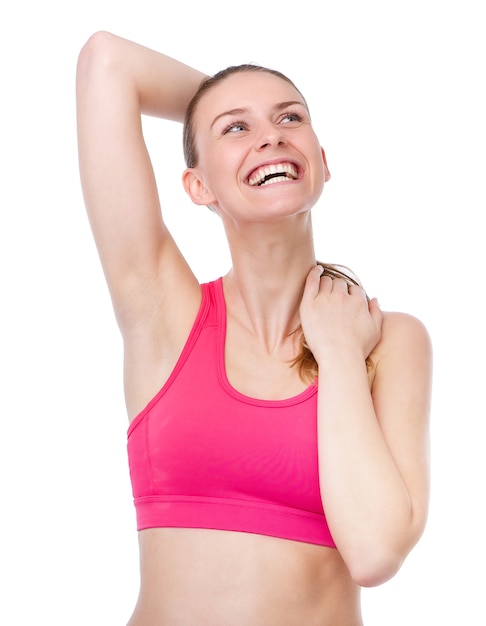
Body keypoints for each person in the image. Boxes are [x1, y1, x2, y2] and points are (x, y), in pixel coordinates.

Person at [76, 31, 432, 626]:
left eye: (290, 118)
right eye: (236, 128)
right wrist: (219, 103)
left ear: (321, 161)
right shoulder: (166, 319)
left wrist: (340, 352)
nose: (271, 134)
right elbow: (105, 61)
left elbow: (374, 552)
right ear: (198, 186)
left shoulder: (388, 340)